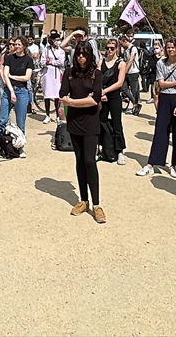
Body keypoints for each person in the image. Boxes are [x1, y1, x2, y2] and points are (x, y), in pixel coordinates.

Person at [61, 41, 106, 223]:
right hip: (74, 122)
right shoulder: (69, 73)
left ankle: (97, 204)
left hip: (90, 122)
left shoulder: (97, 74)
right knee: (79, 161)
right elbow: (62, 94)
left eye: (84, 54)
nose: (81, 57)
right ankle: (84, 200)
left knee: (90, 161)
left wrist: (73, 102)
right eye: (78, 54)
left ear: (89, 56)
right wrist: (81, 101)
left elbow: (95, 99)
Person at [138, 38, 176, 178]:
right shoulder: (161, 63)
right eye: (168, 47)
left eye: (173, 47)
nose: (170, 49)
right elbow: (161, 83)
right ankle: (152, 163)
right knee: (160, 131)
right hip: (165, 98)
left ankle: (174, 165)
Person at [0, 36, 33, 159]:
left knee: (21, 121)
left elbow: (27, 77)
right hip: (8, 90)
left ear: (24, 46)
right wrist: (11, 91)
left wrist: (12, 76)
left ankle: (20, 147)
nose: (16, 46)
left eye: (19, 44)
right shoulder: (9, 58)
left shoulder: (28, 60)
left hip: (22, 91)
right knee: (2, 119)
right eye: (15, 44)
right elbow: (5, 75)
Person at [99, 38, 130, 165]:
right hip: (102, 96)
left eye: (112, 48)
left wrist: (105, 91)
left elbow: (119, 82)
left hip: (114, 96)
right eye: (107, 48)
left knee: (117, 123)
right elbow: (97, 78)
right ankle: (101, 147)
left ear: (117, 49)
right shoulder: (101, 61)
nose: (109, 50)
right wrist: (100, 92)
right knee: (101, 122)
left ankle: (120, 151)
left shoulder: (121, 63)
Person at [40, 31, 66, 122]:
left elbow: (61, 62)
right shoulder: (46, 50)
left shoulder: (61, 51)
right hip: (47, 74)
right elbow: (42, 62)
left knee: (57, 95)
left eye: (59, 40)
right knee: (47, 95)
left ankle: (57, 115)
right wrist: (46, 62)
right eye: (56, 40)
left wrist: (51, 62)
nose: (58, 42)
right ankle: (47, 114)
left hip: (57, 74)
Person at [119, 34, 142, 116]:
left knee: (134, 90)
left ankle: (135, 106)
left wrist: (124, 72)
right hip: (127, 72)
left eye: (121, 44)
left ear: (125, 41)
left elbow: (130, 60)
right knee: (123, 88)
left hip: (133, 72)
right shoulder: (126, 49)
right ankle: (135, 103)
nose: (121, 45)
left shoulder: (133, 48)